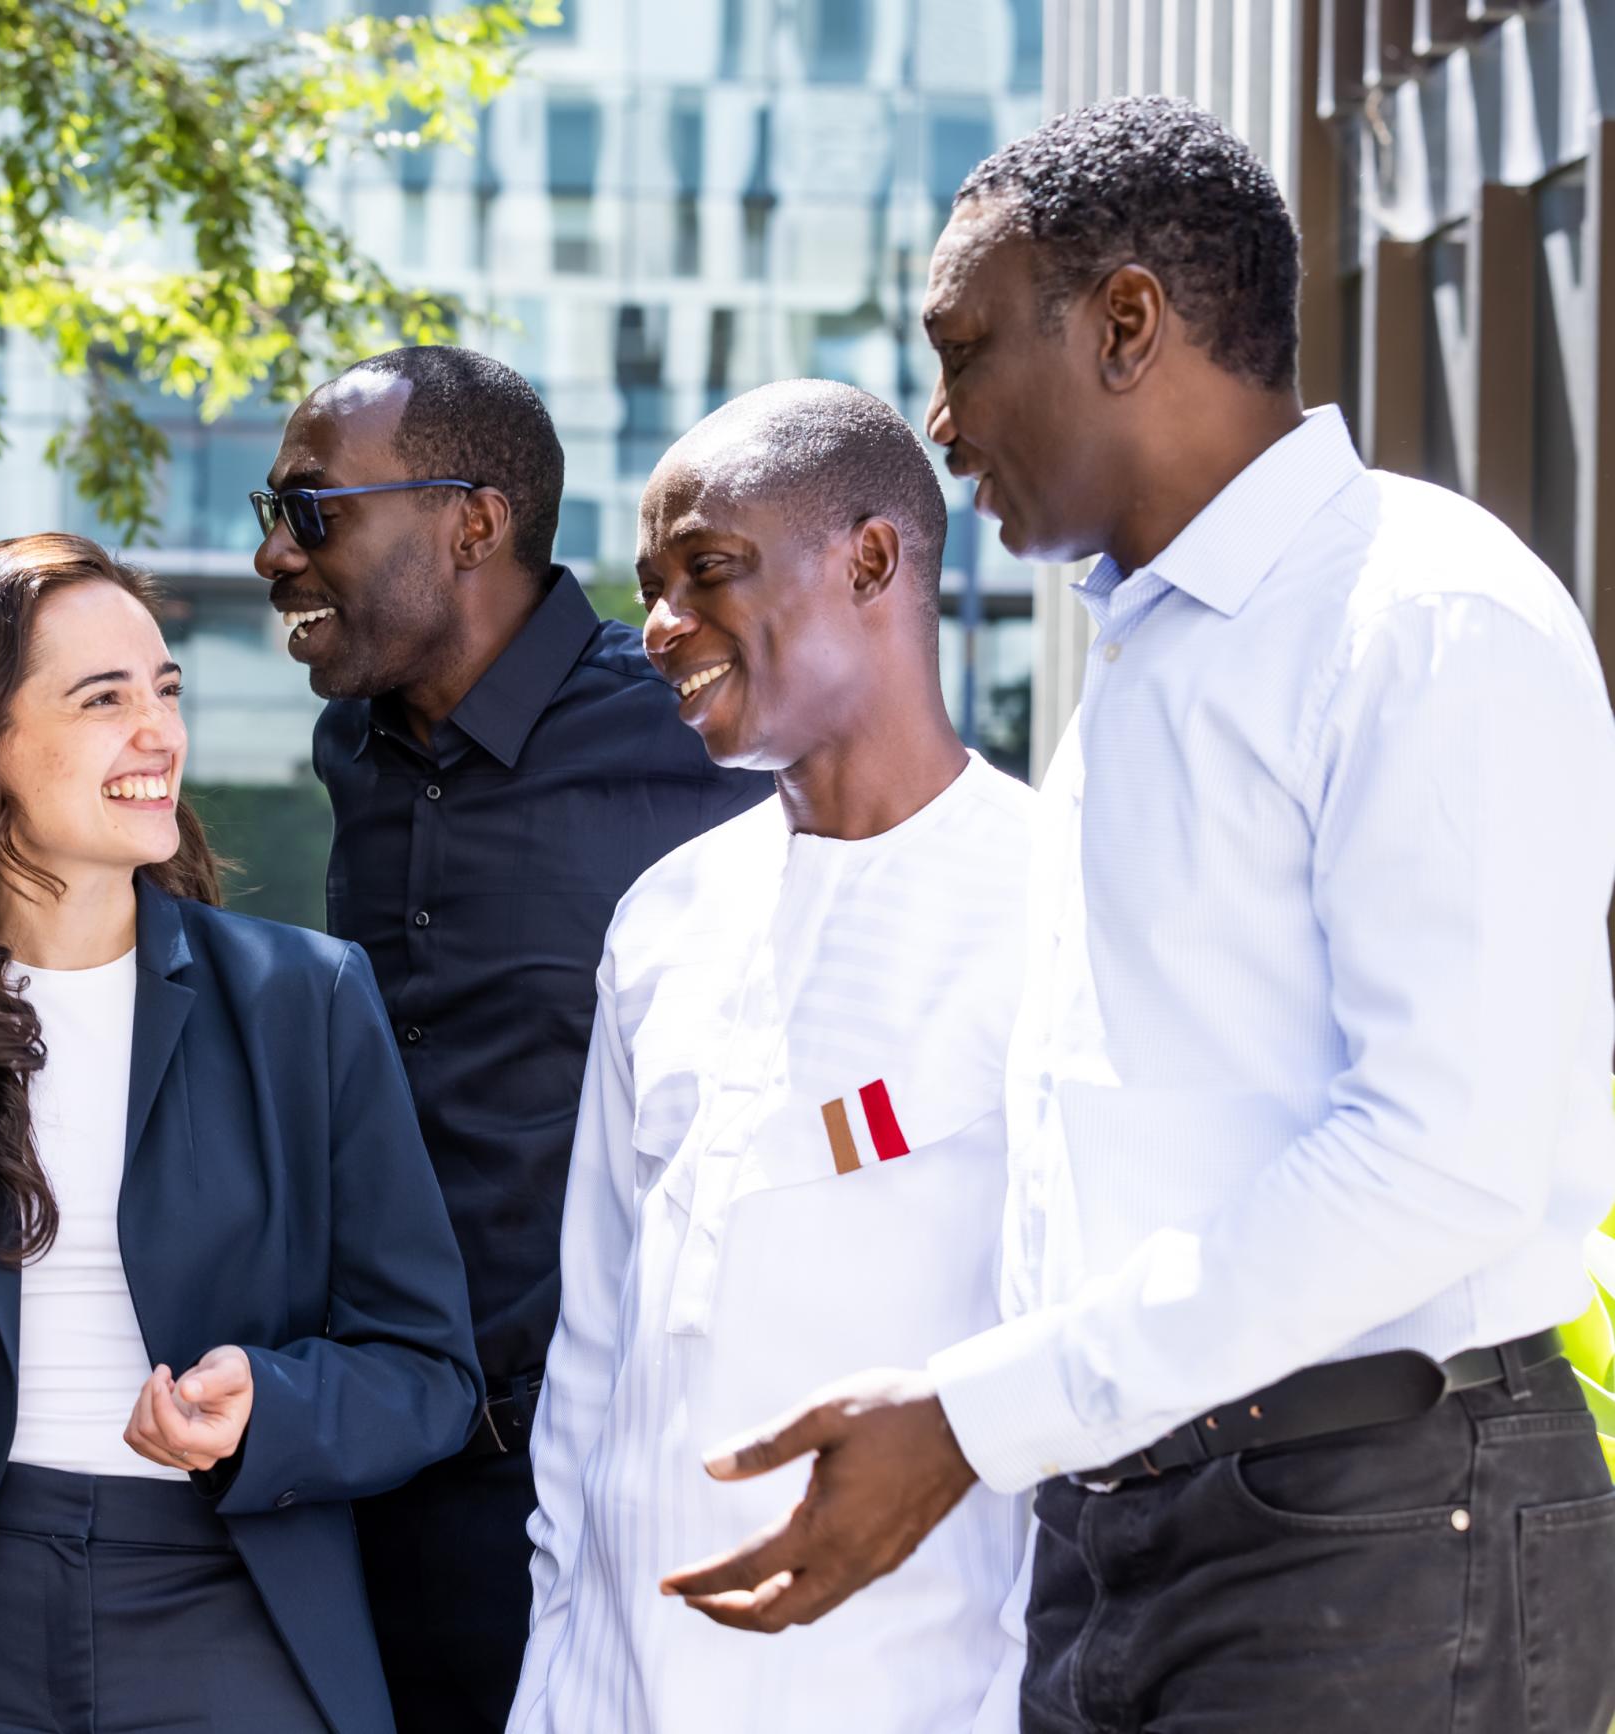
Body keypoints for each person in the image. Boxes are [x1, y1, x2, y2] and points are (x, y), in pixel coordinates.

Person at [659, 97, 1615, 1734]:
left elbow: (1437, 1153)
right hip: (1138, 1515)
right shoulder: (1158, 645)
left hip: (1375, 1515)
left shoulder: (1419, 614)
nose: (944, 422)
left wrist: (974, 1414)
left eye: (964, 350)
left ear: (1124, 323)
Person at [0, 532, 483, 1734]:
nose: (158, 734)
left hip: (229, 1603)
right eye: (103, 699)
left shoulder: (306, 1000)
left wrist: (269, 1406)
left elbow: (430, 1373)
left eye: (165, 690)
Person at [252, 344, 770, 1728]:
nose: (271, 559)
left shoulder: (700, 741)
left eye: (310, 512)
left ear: (471, 521)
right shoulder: (353, 743)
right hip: (367, 1464)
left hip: (597, 1478)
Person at [510, 380, 1030, 1734]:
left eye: (708, 571)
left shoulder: (1064, 906)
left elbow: (1092, 1407)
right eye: (650, 584)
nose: (661, 625)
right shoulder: (663, 917)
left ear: (871, 559)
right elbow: (592, 1355)